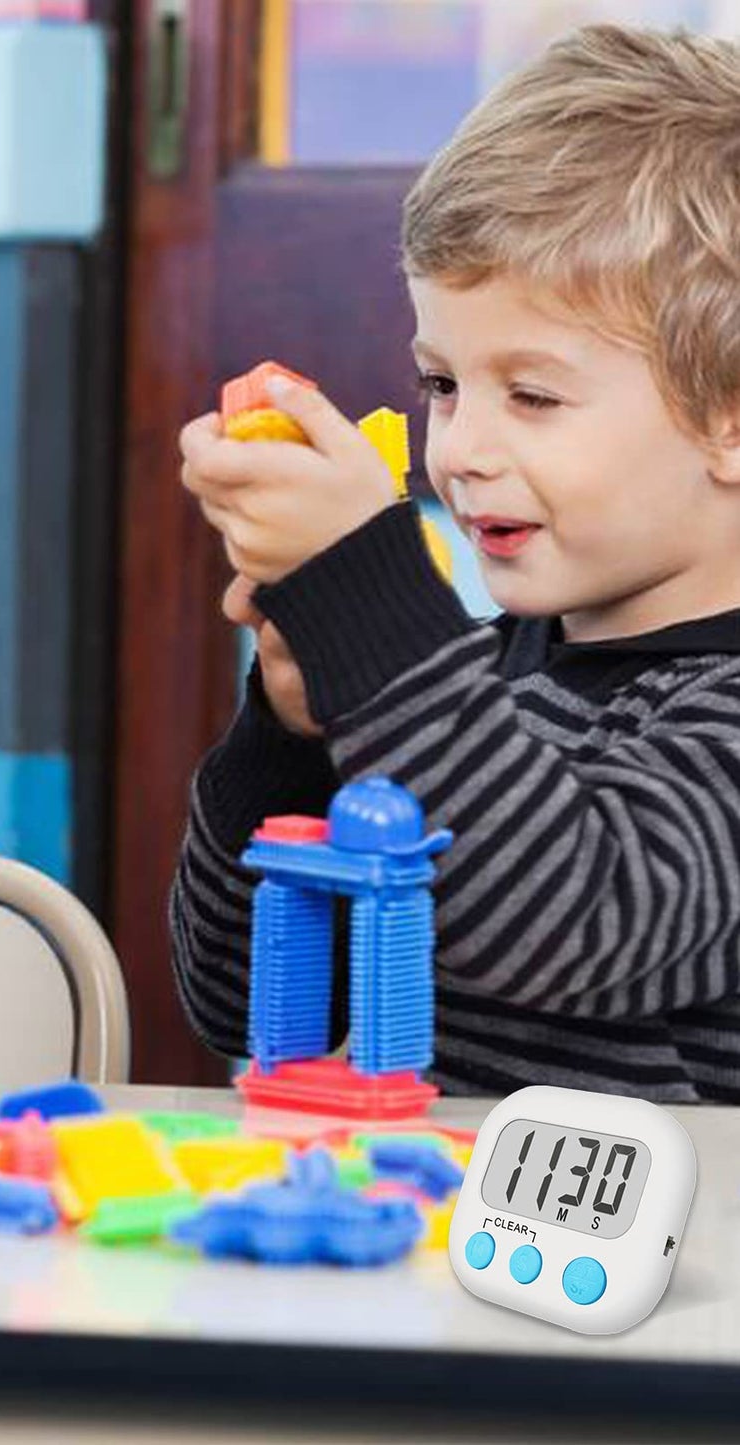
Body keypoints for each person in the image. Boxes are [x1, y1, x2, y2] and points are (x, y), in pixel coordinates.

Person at [171, 25, 740, 1102]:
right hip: (428, 1234)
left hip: (673, 1266)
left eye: (530, 395)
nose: (461, 449)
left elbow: (572, 920)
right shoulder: (462, 685)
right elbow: (242, 995)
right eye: (441, 384)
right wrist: (289, 732)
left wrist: (373, 609)